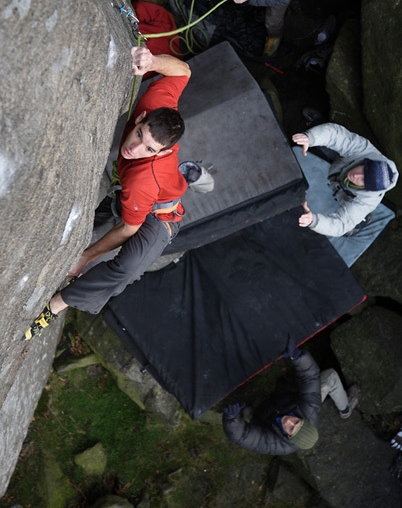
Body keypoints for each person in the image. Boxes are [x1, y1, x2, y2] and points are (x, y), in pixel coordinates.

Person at [23, 46, 191, 340]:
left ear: (163, 151)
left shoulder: (144, 178)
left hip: (160, 217)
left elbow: (131, 228)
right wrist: (152, 61)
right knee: (92, 221)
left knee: (125, 270)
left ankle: (58, 303)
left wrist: (86, 257)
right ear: (143, 118)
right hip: (132, 197)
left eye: (149, 149)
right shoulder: (155, 103)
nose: (134, 148)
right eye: (140, 133)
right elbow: (183, 71)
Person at [222, 336, 360, 455]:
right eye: (296, 422)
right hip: (286, 400)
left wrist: (231, 418)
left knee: (243, 420)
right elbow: (310, 377)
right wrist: (297, 356)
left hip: (264, 417)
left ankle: (249, 418)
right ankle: (345, 408)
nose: (289, 421)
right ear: (304, 420)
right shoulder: (309, 409)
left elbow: (241, 437)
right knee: (330, 377)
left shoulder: (274, 444)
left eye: (291, 428)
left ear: (288, 437)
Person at [292, 123, 399, 237]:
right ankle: (317, 122)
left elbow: (340, 225)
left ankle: (360, 221)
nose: (356, 175)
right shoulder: (365, 151)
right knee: (331, 144)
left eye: (363, 180)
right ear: (366, 163)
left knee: (350, 214)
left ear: (366, 188)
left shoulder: (364, 201)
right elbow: (337, 135)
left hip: (347, 194)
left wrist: (314, 221)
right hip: (342, 164)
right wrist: (311, 137)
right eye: (363, 170)